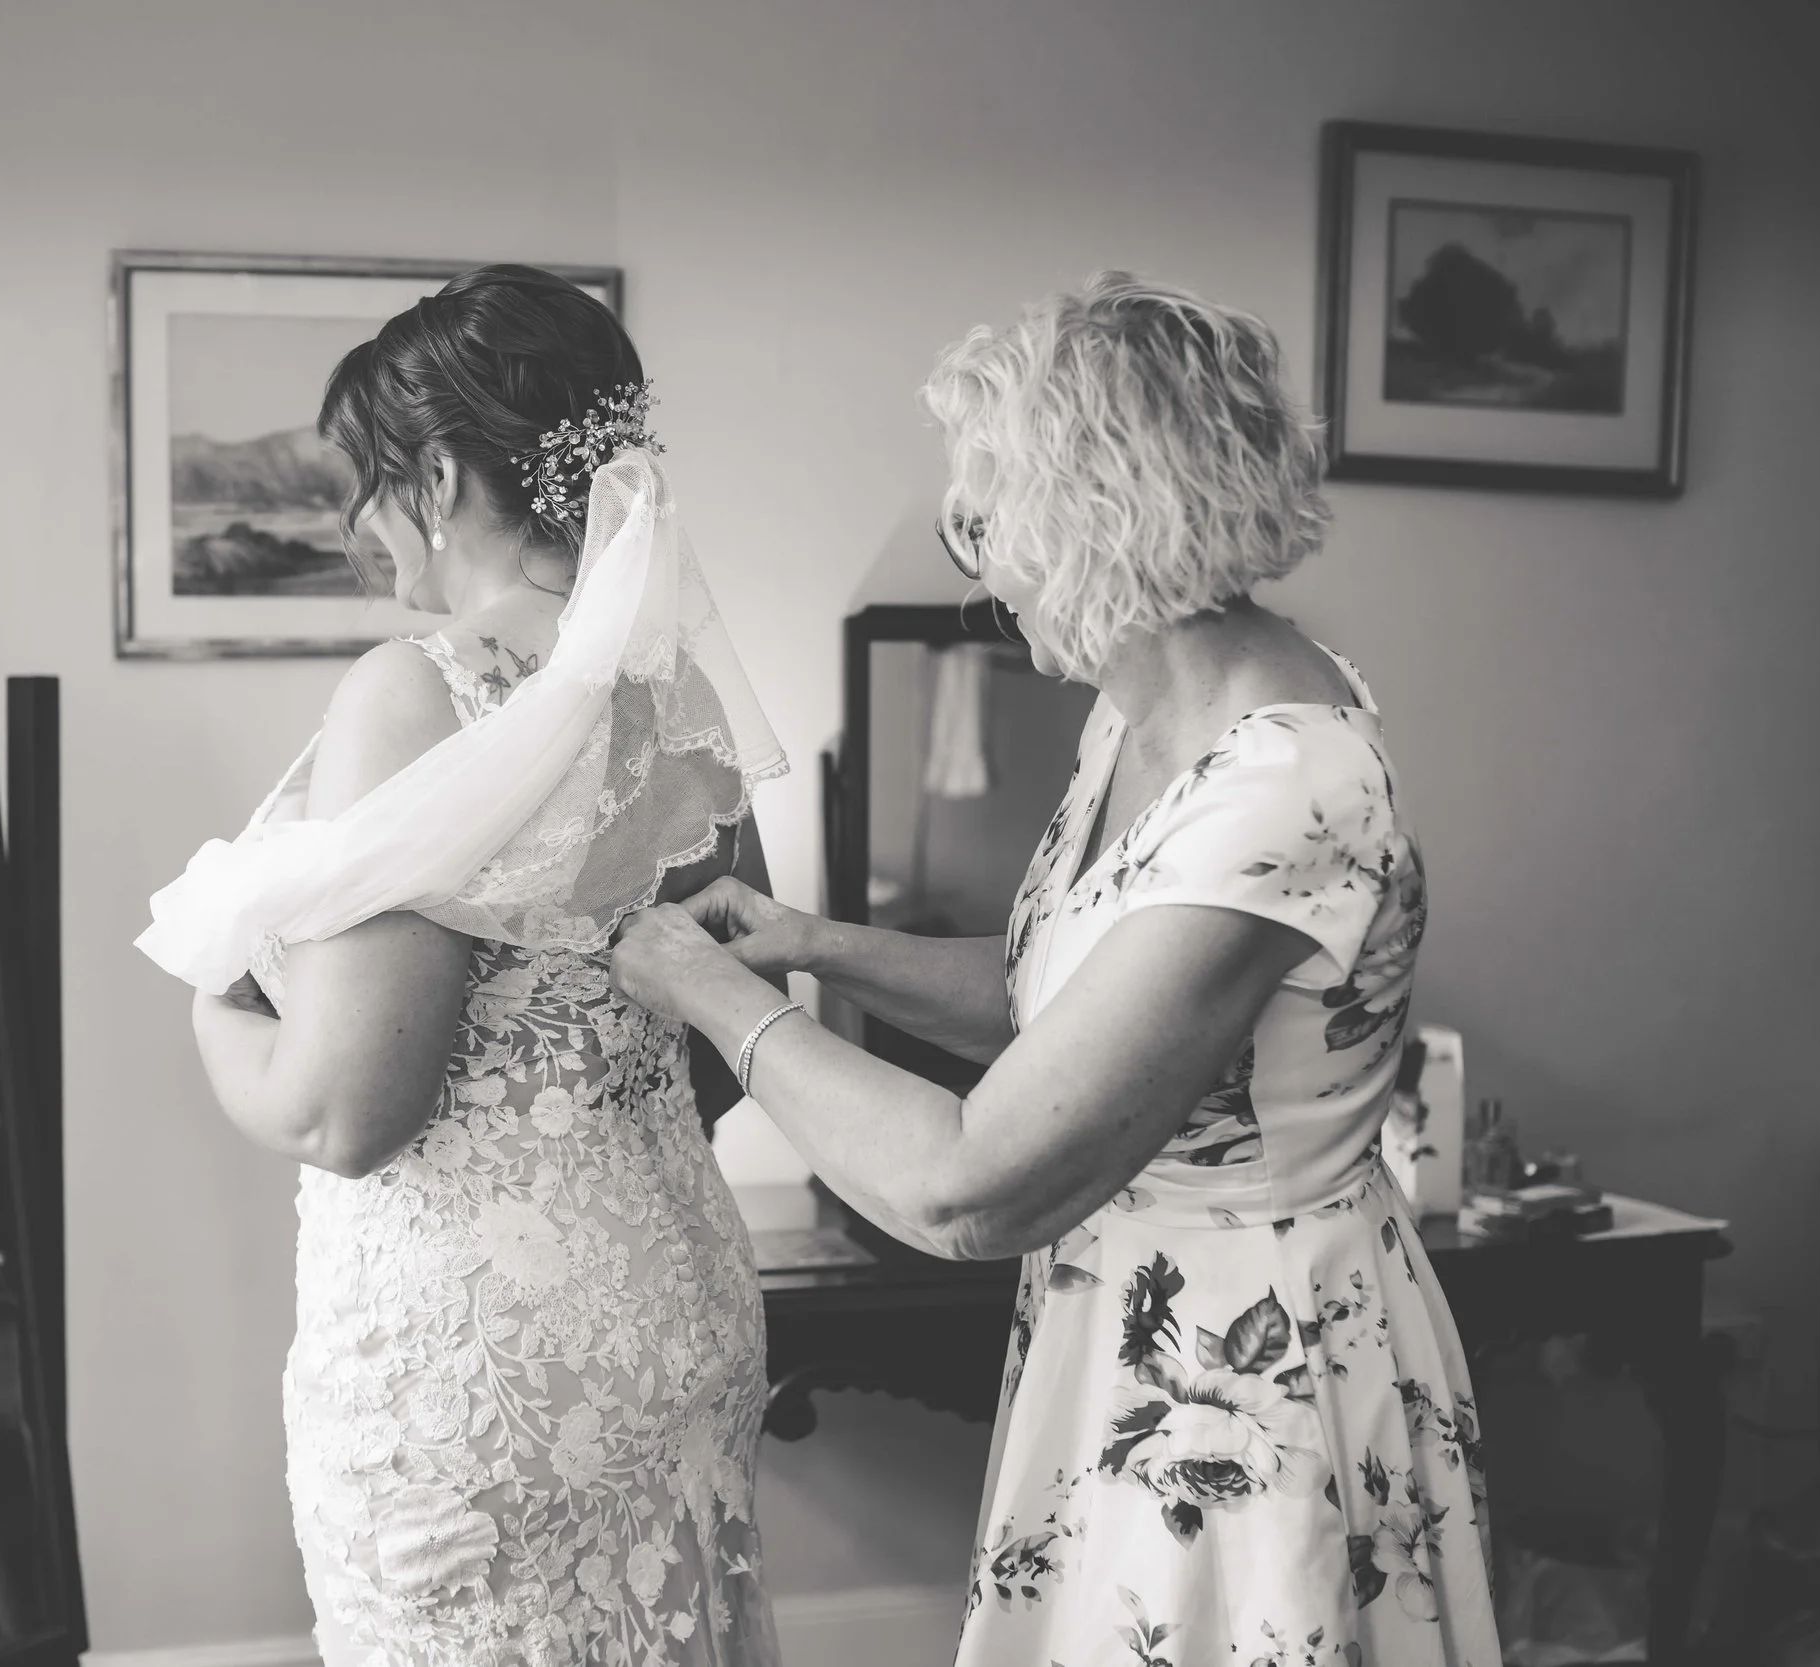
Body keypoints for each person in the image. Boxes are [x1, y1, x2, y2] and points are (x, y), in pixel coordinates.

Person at [610, 274, 1498, 1665]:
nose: (980, 562)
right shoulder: (1134, 720)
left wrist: (721, 997)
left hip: (1240, 1364)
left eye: (987, 512)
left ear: (1103, 511)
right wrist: (813, 942)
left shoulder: (1285, 783)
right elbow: (1070, 1008)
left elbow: (971, 1184)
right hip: (1124, 1313)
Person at [135, 265, 785, 1667]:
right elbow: (731, 1033)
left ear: (434, 475)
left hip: (487, 1379)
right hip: (680, 1312)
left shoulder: (418, 688)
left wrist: (210, 1016)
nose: (362, 530)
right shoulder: (680, 698)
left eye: (366, 486)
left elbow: (344, 1112)